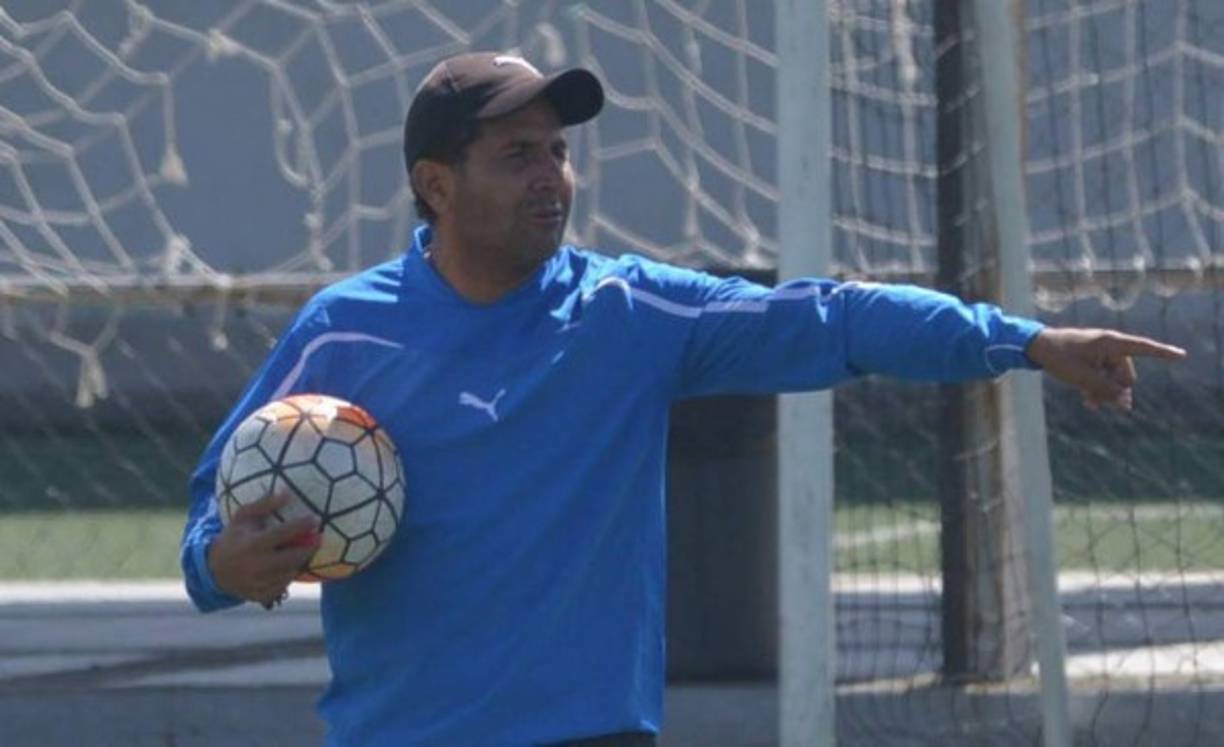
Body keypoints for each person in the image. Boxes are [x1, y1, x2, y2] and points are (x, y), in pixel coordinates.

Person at [181, 52, 1186, 746]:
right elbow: (208, 528)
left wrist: (1026, 340)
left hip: (594, 733)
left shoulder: (628, 311)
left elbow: (832, 319)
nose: (554, 178)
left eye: (560, 152)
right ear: (436, 187)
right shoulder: (343, 332)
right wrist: (225, 561)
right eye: (518, 155)